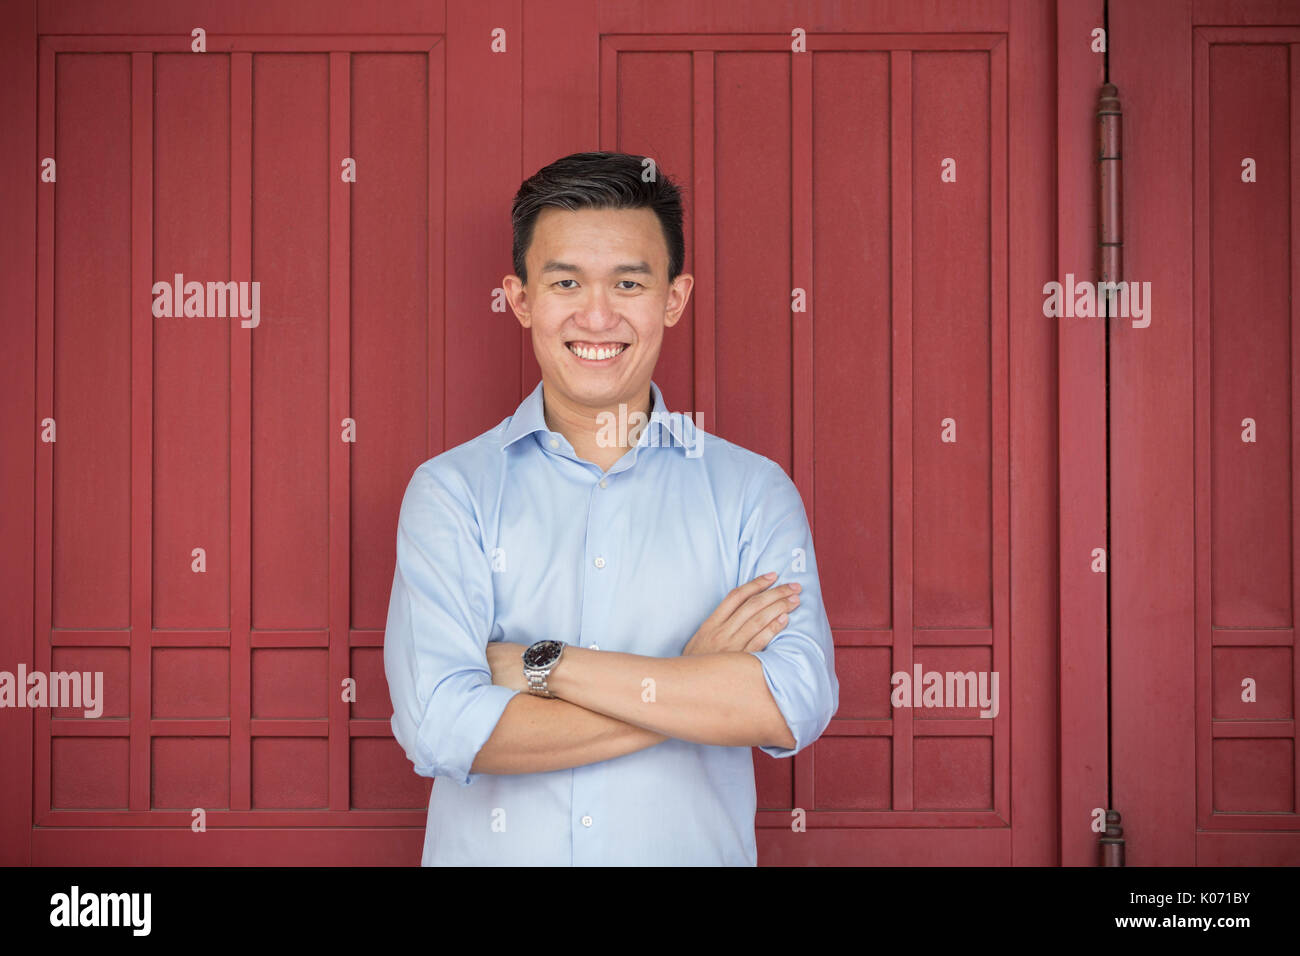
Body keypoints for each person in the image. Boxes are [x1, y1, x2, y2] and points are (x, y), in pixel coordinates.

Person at [383, 150, 838, 865]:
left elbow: (792, 704)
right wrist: (690, 683)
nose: (597, 315)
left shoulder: (752, 491)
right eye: (566, 281)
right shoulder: (451, 493)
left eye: (629, 282)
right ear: (521, 297)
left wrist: (544, 665)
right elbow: (441, 728)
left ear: (673, 298)